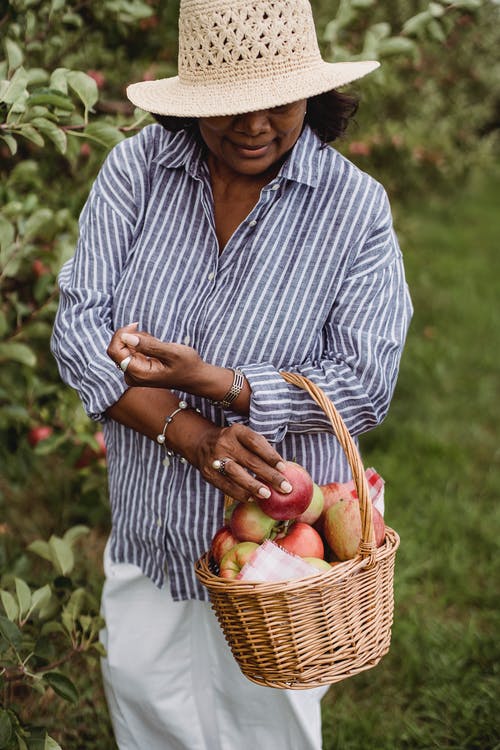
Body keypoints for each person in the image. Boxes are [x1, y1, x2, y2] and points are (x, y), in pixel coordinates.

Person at [51, 0, 413, 747]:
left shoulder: (354, 211)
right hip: (152, 528)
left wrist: (229, 386)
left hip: (278, 559)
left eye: (277, 102)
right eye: (231, 105)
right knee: (146, 705)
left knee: (266, 726)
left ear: (312, 93)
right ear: (195, 103)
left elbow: (366, 379)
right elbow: (77, 329)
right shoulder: (138, 171)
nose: (254, 125)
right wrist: (188, 432)